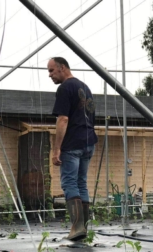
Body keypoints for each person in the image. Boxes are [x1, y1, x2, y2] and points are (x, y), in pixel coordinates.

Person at [47, 57, 98, 240]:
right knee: (81, 182)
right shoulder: (85, 88)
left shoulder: (64, 88)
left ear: (62, 68)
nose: (50, 75)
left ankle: (76, 228)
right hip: (88, 142)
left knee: (69, 183)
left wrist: (56, 149)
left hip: (72, 143)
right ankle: (82, 228)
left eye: (52, 70)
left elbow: (63, 119)